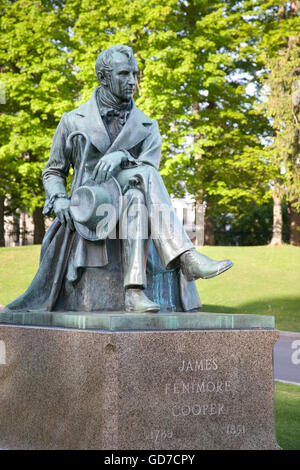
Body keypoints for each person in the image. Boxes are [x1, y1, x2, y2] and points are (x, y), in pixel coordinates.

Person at [6, 45, 233, 314]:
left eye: (135, 74)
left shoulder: (148, 126)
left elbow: (149, 171)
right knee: (142, 182)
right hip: (90, 207)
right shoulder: (72, 121)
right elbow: (53, 171)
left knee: (137, 197)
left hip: (130, 203)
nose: (133, 82)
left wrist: (121, 157)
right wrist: (59, 200)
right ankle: (186, 256)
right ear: (103, 78)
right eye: (124, 74)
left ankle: (134, 293)